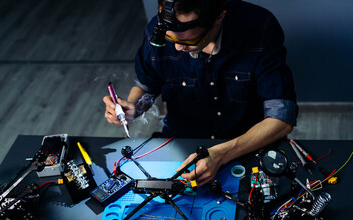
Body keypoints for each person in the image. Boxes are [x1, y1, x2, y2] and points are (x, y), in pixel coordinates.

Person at [103, 0, 298, 187]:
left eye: (190, 40)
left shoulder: (259, 27)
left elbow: (281, 118)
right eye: (171, 38)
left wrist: (220, 154)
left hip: (246, 146)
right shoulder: (157, 29)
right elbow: (147, 84)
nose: (178, 47)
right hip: (180, 144)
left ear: (219, 17)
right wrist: (133, 106)